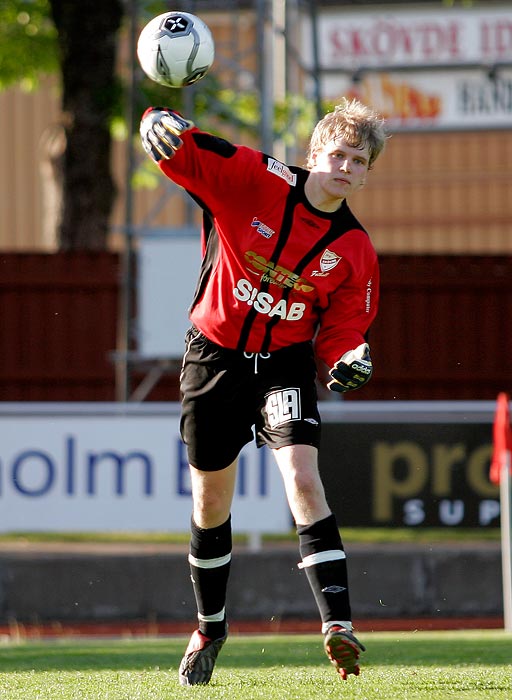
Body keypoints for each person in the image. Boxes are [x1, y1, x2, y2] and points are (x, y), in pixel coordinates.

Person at [140, 97, 387, 685]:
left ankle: (338, 626)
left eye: (359, 160)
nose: (346, 167)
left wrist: (350, 358)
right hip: (213, 355)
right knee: (210, 502)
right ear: (313, 155)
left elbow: (345, 330)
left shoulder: (355, 249)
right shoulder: (257, 180)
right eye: (337, 154)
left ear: (367, 173)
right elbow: (191, 155)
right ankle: (210, 626)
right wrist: (156, 118)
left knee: (303, 479)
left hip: (285, 366)